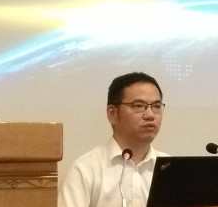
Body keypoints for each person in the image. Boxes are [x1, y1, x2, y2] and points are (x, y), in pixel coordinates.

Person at [58, 72, 168, 207]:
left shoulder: (171, 169)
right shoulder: (86, 169)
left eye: (156, 106)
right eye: (139, 106)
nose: (150, 115)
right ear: (112, 113)